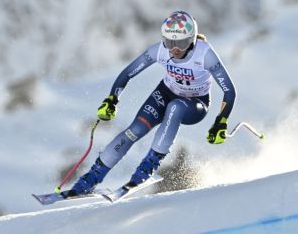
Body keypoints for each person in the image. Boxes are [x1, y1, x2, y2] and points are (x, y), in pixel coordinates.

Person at [68, 10, 236, 195]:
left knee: (175, 107)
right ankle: (90, 179)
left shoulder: (205, 54)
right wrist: (112, 99)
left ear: (192, 40)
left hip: (195, 103)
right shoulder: (159, 50)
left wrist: (221, 121)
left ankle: (146, 168)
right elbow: (128, 73)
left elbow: (229, 90)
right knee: (135, 130)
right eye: (169, 42)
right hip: (165, 93)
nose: (174, 49)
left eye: (180, 43)